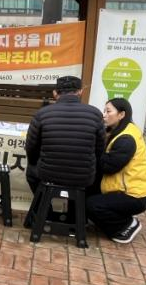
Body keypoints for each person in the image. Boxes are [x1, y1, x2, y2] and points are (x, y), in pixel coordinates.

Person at [24, 75, 106, 226]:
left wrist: (35, 162)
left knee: (31, 172)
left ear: (55, 93)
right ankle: (75, 217)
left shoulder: (42, 114)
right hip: (83, 177)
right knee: (92, 176)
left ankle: (46, 212)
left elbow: (31, 148)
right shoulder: (95, 114)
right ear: (80, 92)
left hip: (49, 174)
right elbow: (100, 149)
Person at [86, 98, 146, 243]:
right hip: (122, 189)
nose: (104, 115)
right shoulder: (121, 130)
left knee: (92, 205)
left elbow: (108, 167)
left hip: (134, 196)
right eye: (104, 111)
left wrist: (94, 151)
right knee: (86, 190)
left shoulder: (126, 139)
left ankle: (125, 226)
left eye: (108, 111)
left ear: (121, 114)